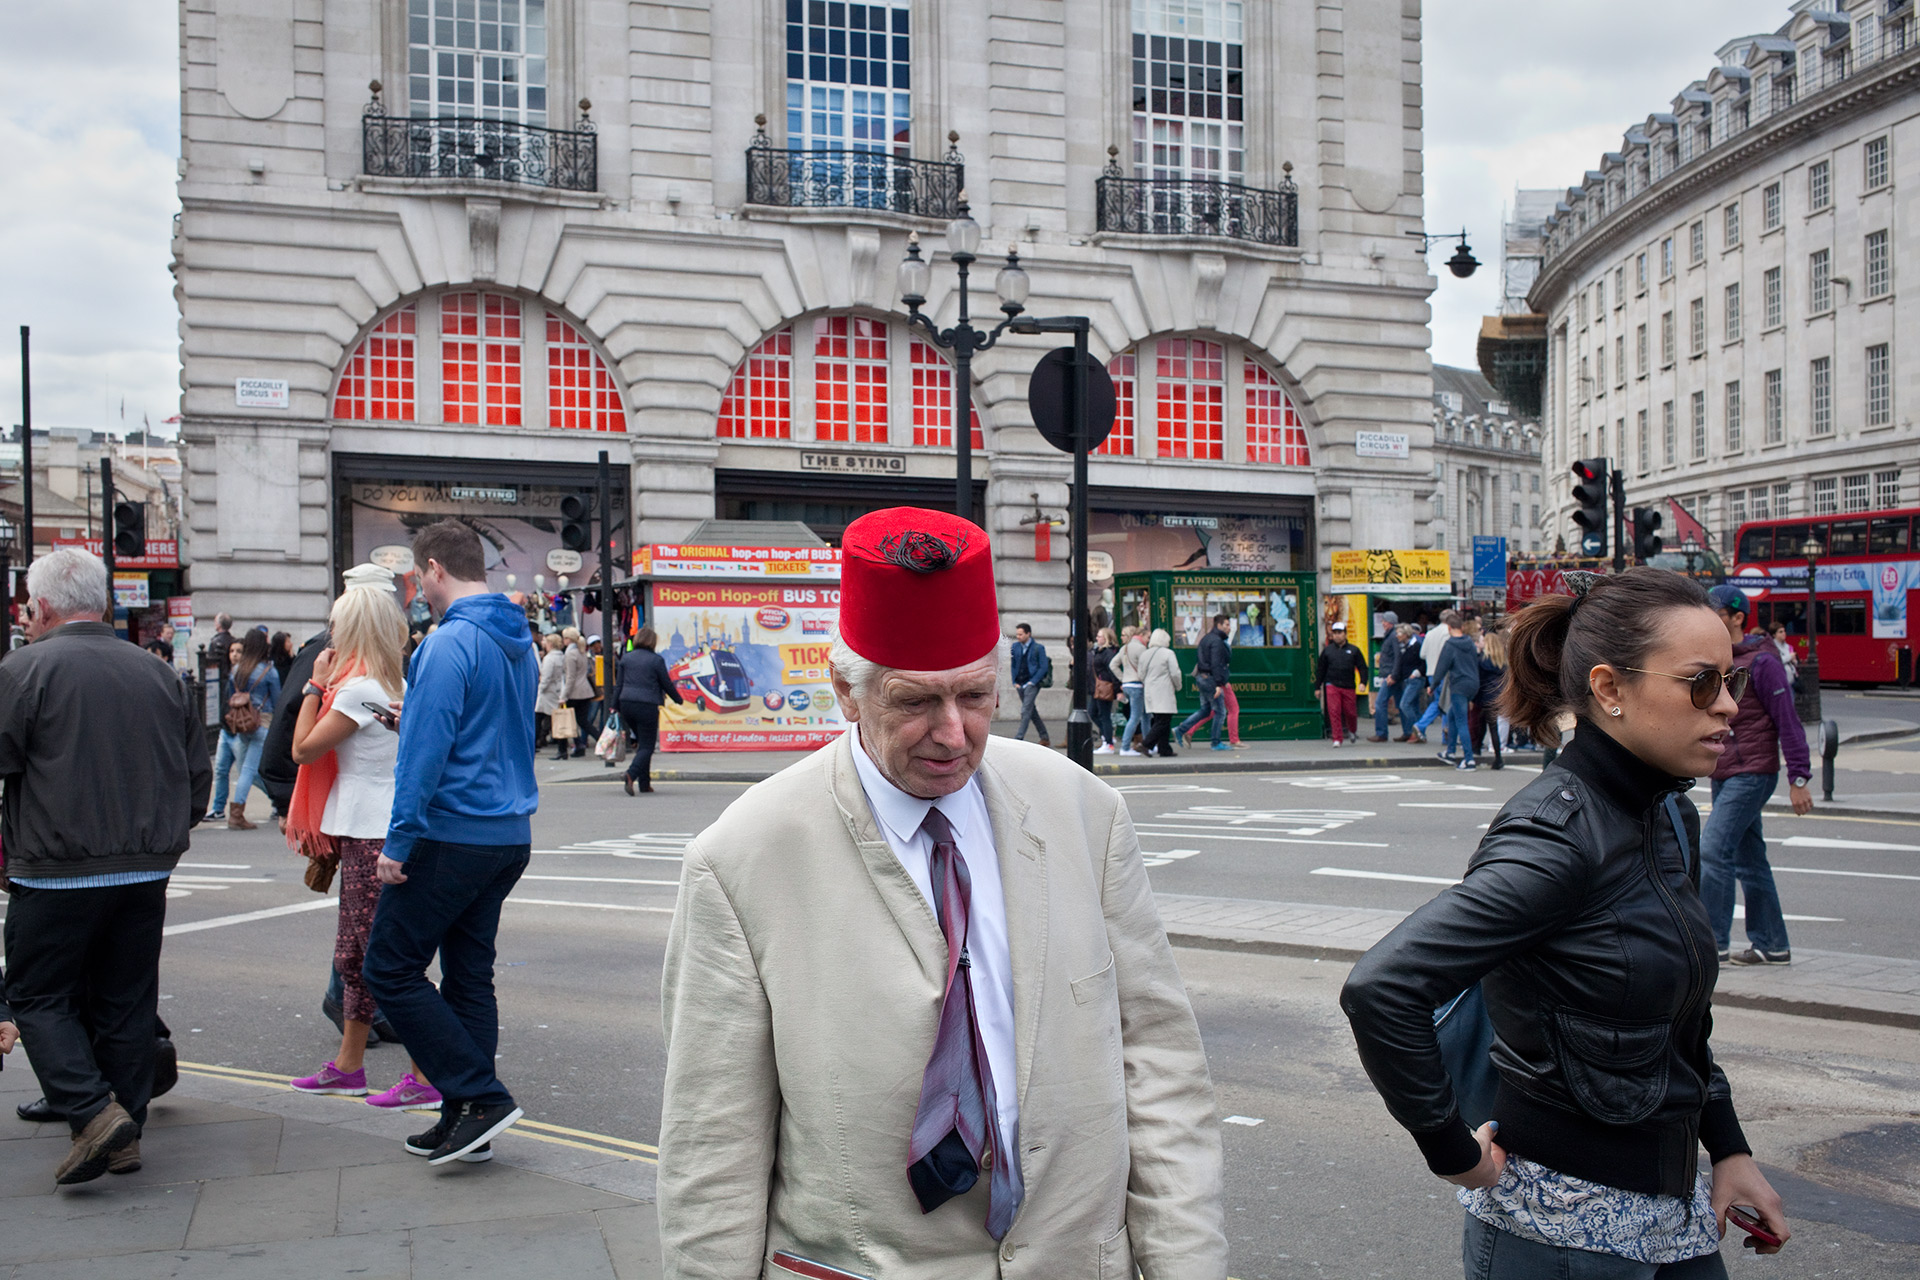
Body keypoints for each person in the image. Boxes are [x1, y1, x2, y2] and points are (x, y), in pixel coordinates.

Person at [657, 506, 1227, 1276]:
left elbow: (1158, 1066)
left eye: (976, 697)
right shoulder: (741, 858)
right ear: (846, 692)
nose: (953, 733)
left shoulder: (1085, 813)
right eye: (916, 702)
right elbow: (712, 1148)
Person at [1342, 567, 1790, 1278]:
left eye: (1732, 680)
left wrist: (1728, 1148)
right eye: (1702, 683)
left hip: (1674, 1214)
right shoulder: (1556, 836)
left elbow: (1681, 1020)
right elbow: (1382, 988)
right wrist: (1455, 1155)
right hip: (1560, 1227)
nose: (1730, 706)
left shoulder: (1668, 812)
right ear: (1610, 690)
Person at [0, 546, 210, 1185]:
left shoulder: (24, 669)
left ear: (41, 607)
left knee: (38, 993)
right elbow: (195, 780)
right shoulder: (160, 675)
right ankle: (124, 1128)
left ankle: (94, 1113)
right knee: (125, 999)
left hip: (55, 868)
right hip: (145, 868)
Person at [361, 519, 539, 1166]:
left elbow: (426, 756)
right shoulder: (518, 640)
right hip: (506, 833)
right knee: (469, 977)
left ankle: (478, 1097)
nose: (417, 589)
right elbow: (499, 728)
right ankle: (467, 1119)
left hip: (451, 830)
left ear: (433, 569)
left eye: (416, 576)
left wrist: (399, 840)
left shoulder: (447, 643)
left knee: (389, 967)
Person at [284, 584, 444, 1111]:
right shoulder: (400, 680)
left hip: (371, 832)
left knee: (378, 957)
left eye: (337, 624)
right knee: (366, 954)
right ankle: (349, 1066)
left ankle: (422, 1073)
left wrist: (313, 685)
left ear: (352, 631)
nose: (330, 633)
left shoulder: (355, 691)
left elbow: (303, 748)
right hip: (391, 827)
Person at [1700, 584, 1813, 967]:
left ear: (1737, 618)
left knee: (1712, 850)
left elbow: (1789, 721)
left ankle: (1712, 944)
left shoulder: (1762, 663)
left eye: (1716, 613)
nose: (1708, 619)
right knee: (1750, 860)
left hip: (1753, 771)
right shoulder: (1715, 663)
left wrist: (1799, 778)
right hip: (1725, 770)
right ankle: (1772, 944)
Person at [207, 630, 282, 829]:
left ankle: (276, 802)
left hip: (240, 724)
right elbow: (277, 701)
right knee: (249, 771)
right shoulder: (268, 671)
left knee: (245, 770)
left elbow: (232, 696)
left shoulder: (237, 671)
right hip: (261, 723)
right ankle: (237, 814)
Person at [613, 625, 683, 795]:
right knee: (647, 746)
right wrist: (678, 699)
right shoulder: (656, 660)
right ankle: (631, 774)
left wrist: (613, 706)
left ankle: (645, 784)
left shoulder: (626, 658)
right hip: (647, 705)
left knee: (643, 744)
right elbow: (666, 683)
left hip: (626, 704)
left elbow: (619, 684)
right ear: (652, 642)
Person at [1426, 615, 1482, 770]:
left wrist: (1433, 685)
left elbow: (1441, 667)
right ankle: (1450, 752)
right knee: (1451, 715)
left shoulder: (1450, 645)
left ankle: (1469, 759)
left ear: (1449, 628)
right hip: (1473, 683)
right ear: (1462, 628)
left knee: (1461, 721)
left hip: (1459, 685)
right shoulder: (1470, 643)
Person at [1175, 613, 1232, 751]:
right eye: (1227, 624)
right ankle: (1215, 742)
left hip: (1202, 677)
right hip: (1211, 679)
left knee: (1206, 710)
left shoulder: (1206, 638)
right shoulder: (1217, 641)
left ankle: (1180, 729)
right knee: (1220, 712)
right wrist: (1219, 684)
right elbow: (1216, 663)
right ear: (1219, 625)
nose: (1229, 627)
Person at [1411, 609, 1464, 749]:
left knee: (1438, 702)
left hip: (1431, 672)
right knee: (1447, 703)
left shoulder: (1430, 633)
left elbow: (1422, 654)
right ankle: (1446, 733)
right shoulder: (1449, 633)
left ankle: (1421, 726)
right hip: (1445, 673)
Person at [1314, 621, 1369, 747]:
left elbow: (1362, 667)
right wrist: (1317, 687)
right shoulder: (1327, 651)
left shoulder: (1354, 650)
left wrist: (1363, 682)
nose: (1337, 636)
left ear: (1345, 634)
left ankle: (1352, 730)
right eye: (1335, 633)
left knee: (1350, 712)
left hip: (1348, 685)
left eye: (1340, 633)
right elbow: (1321, 670)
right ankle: (1337, 738)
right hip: (1332, 684)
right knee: (1334, 711)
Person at [1468, 630, 1509, 771]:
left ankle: (1498, 758)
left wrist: (1473, 698)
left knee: (1490, 726)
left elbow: (1479, 680)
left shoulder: (1483, 661)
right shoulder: (1502, 661)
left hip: (1486, 696)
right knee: (1484, 722)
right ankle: (1477, 748)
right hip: (1498, 696)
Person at [1139, 626, 1182, 757]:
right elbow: (1175, 673)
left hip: (1150, 691)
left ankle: (1164, 748)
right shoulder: (1168, 653)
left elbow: (1140, 674)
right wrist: (1178, 686)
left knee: (1160, 720)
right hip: (1164, 690)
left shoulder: (1145, 654)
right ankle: (1146, 744)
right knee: (1163, 721)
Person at [1008, 621, 1052, 746]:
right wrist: (1014, 681)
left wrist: (1033, 682)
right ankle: (1045, 737)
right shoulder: (1015, 647)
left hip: (1032, 683)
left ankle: (1019, 738)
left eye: (1021, 634)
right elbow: (1014, 665)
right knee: (1032, 711)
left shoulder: (1038, 648)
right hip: (1019, 683)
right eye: (1017, 634)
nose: (1018, 637)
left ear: (1028, 634)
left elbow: (1043, 667)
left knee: (1026, 709)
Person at [1109, 624, 1148, 755]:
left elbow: (1113, 665)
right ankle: (1125, 747)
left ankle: (1148, 744)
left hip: (1127, 685)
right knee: (1136, 717)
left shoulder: (1124, 648)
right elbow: (1144, 668)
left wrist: (1123, 678)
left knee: (1145, 716)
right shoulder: (1141, 648)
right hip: (1137, 685)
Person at [1369, 619, 1406, 742]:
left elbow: (1397, 657)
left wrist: (1393, 675)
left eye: (1384, 621)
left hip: (1391, 677)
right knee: (1402, 704)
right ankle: (1408, 731)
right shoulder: (1391, 636)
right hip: (1393, 675)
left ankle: (1381, 733)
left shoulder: (1393, 637)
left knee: (1380, 703)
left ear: (1391, 622)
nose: (1383, 624)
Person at [562, 626, 596, 757]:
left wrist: (564, 695)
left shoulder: (570, 654)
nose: (563, 641)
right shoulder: (581, 652)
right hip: (585, 691)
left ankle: (579, 746)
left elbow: (570, 677)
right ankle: (587, 743)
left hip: (575, 692)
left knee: (572, 722)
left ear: (568, 639)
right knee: (583, 721)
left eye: (565, 638)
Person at [1394, 624, 1428, 743]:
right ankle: (1420, 733)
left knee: (1405, 704)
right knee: (1414, 707)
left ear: (1406, 634)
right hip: (1407, 679)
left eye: (1399, 633)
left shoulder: (1416, 645)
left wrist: (1417, 673)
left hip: (1415, 679)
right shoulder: (1405, 646)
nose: (1397, 636)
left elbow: (1423, 662)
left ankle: (1416, 729)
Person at [535, 633, 567, 758]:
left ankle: (533, 744)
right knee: (558, 721)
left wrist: (540, 689)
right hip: (557, 691)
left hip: (547, 693)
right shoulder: (561, 656)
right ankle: (562, 749)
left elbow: (546, 677)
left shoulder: (549, 658)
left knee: (537, 718)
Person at [1089, 625, 1120, 753]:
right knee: (1092, 713)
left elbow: (1112, 671)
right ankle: (1107, 736)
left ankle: (1108, 743)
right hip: (1097, 687)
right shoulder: (1099, 651)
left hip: (1105, 686)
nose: (1097, 638)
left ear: (1106, 638)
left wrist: (1117, 689)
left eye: (1100, 636)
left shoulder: (1108, 653)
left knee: (1104, 715)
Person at [1768, 622, 1799, 690]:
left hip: (1791, 681)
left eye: (1784, 631)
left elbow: (1795, 664)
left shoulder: (1788, 647)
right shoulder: (1772, 647)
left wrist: (1794, 661)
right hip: (1780, 683)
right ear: (1774, 635)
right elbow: (1776, 661)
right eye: (1780, 632)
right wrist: (1790, 657)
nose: (1784, 633)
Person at [209, 612, 235, 683]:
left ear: (219, 624)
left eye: (215, 622)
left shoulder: (214, 642)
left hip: (218, 678)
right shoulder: (234, 640)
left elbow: (210, 664)